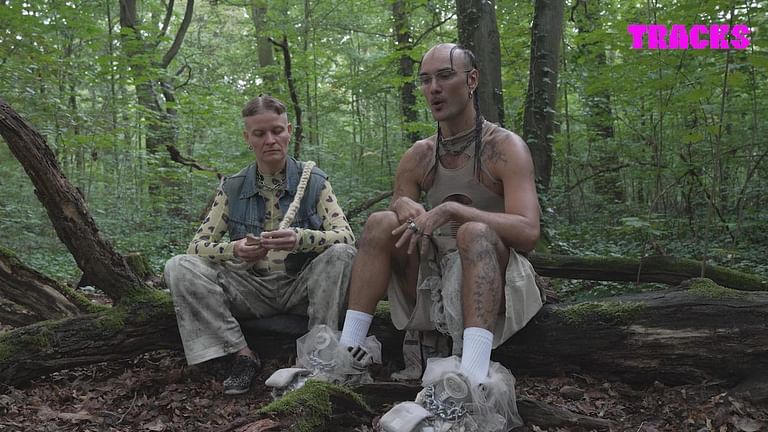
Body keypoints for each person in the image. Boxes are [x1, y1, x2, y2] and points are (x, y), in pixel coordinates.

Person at [338, 43, 543, 431]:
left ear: (472, 80)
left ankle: (472, 379)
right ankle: (347, 352)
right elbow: (400, 211)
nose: (433, 88)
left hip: (494, 275)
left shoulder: (504, 147)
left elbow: (529, 232)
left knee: (474, 231)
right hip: (431, 281)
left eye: (445, 76)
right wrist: (402, 205)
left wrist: (455, 211)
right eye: (426, 80)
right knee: (379, 221)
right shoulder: (419, 155)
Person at [164, 95, 356, 395]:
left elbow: (346, 236)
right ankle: (241, 355)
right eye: (259, 133)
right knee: (179, 266)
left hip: (301, 287)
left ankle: (317, 353)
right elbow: (197, 246)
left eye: (277, 131)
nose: (270, 140)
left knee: (341, 254)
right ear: (247, 138)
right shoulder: (233, 187)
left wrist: (302, 238)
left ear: (288, 131)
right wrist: (235, 249)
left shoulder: (314, 181)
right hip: (251, 289)